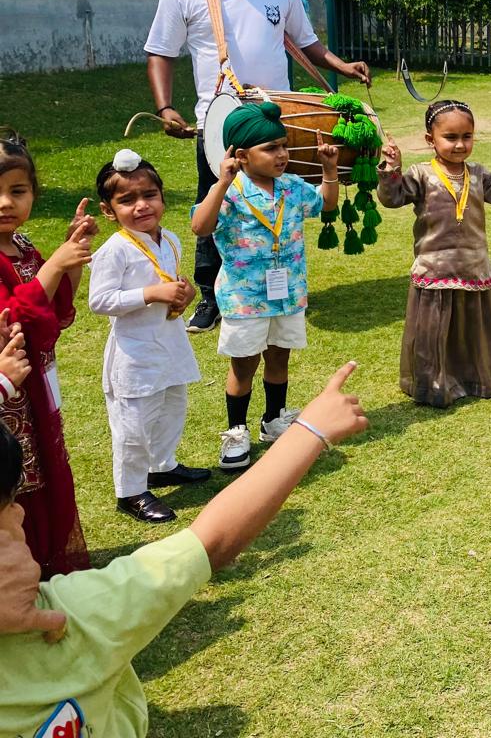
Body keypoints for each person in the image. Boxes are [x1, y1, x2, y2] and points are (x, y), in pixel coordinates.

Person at [0, 361, 368, 738]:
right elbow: (210, 542)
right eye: (9, 503)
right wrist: (310, 431)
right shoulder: (74, 618)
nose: (20, 512)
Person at [144, 0, 370, 335]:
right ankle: (211, 296)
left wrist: (341, 66)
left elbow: (307, 42)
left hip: (275, 119)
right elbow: (161, 51)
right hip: (221, 122)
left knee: (279, 201)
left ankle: (278, 283)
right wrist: (165, 107)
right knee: (216, 202)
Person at [190, 101, 339, 472]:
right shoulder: (230, 192)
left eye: (283, 146)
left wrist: (329, 169)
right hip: (245, 299)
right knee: (244, 366)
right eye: (271, 148)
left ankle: (273, 419)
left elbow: (325, 204)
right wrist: (221, 182)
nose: (282, 154)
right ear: (241, 156)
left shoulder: (291, 187)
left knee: (279, 357)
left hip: (287, 294)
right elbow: (200, 227)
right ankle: (236, 431)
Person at [88, 150, 209, 525]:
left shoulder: (169, 239)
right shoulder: (115, 250)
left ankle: (161, 466)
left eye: (149, 195)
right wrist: (151, 294)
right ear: (109, 210)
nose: (141, 206)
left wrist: (184, 293)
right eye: (127, 200)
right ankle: (130, 491)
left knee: (172, 407)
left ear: (162, 197)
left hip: (169, 342)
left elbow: (171, 281)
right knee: (134, 424)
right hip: (135, 352)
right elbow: (99, 301)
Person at [377, 100, 491, 407]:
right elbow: (392, 198)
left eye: (467, 136)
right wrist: (391, 169)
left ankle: (477, 379)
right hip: (434, 268)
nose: (459, 144)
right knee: (434, 332)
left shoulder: (477, 174)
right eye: (450, 137)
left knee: (472, 330)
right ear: (430, 139)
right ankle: (433, 384)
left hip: (473, 265)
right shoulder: (420, 174)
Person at [0, 134, 93, 577]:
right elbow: (14, 321)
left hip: (34, 385)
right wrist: (54, 265)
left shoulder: (23, 246)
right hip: (7, 393)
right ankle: (18, 570)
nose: (5, 203)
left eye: (17, 190)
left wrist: (68, 259)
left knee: (42, 470)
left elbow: (55, 312)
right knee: (15, 480)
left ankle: (46, 561)